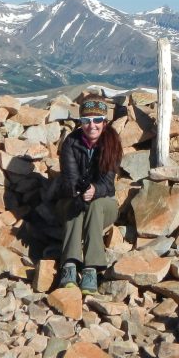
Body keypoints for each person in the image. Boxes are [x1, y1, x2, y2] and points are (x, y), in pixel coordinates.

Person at [57, 95, 122, 294]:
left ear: (105, 122)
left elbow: (108, 184)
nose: (91, 125)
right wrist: (79, 192)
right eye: (86, 120)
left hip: (104, 205)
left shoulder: (112, 143)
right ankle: (69, 266)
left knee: (95, 205)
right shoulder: (71, 142)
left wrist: (94, 191)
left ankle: (91, 268)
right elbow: (69, 178)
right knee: (75, 206)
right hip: (74, 198)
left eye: (97, 120)